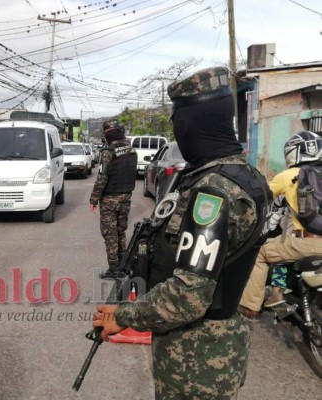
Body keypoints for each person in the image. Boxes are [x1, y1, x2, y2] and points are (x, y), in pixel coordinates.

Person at [92, 66, 271, 399]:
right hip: (213, 350)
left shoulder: (214, 193)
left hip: (196, 359)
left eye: (176, 118)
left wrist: (125, 315)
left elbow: (187, 296)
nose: (175, 126)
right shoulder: (246, 175)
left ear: (189, 124)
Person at [238, 130, 322, 319]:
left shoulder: (289, 175)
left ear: (293, 153)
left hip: (308, 242)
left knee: (259, 252)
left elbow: (260, 197)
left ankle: (250, 306)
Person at [89, 120, 137, 279]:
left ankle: (114, 270)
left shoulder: (108, 152)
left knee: (110, 234)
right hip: (126, 196)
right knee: (121, 230)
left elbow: (102, 177)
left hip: (110, 199)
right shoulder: (130, 149)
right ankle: (124, 266)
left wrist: (94, 198)